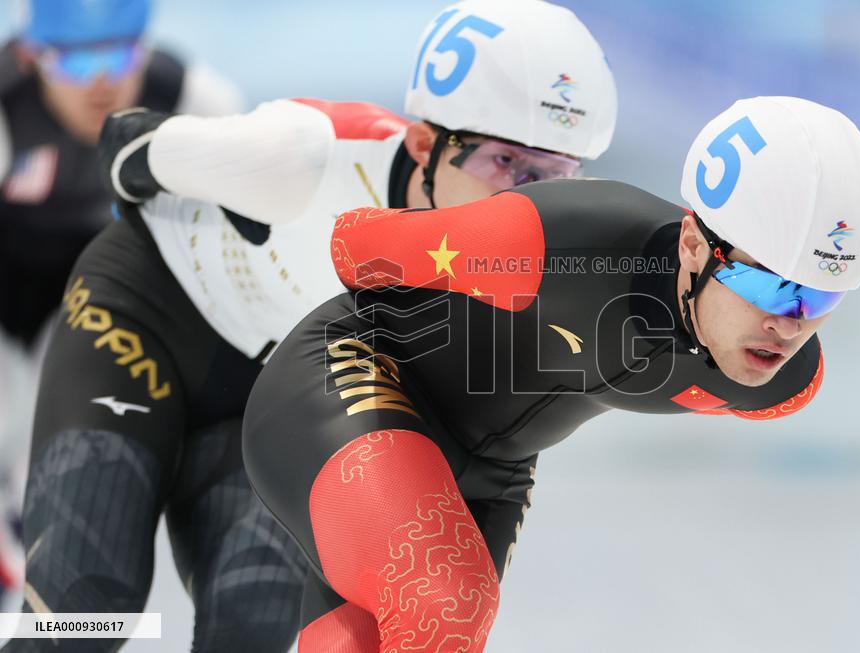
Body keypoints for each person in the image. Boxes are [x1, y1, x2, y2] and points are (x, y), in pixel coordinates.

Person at [7, 0, 616, 650]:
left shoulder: (518, 279)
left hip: (268, 395)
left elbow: (489, 474)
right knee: (84, 606)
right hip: (143, 325)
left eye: (554, 178)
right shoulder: (304, 152)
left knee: (253, 620)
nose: (524, 200)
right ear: (423, 146)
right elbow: (127, 145)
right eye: (506, 163)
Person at [235, 96, 860, 652]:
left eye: (821, 297)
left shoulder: (782, 384)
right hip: (354, 374)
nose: (791, 324)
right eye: (772, 287)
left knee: (378, 636)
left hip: (490, 473)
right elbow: (355, 243)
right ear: (694, 245)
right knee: (445, 600)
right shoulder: (556, 240)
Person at [0, 0, 241, 617]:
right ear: (30, 57)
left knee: (64, 443)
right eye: (76, 64)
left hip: (85, 289)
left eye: (120, 55)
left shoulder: (190, 99)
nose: (102, 82)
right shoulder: (5, 106)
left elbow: (235, 248)